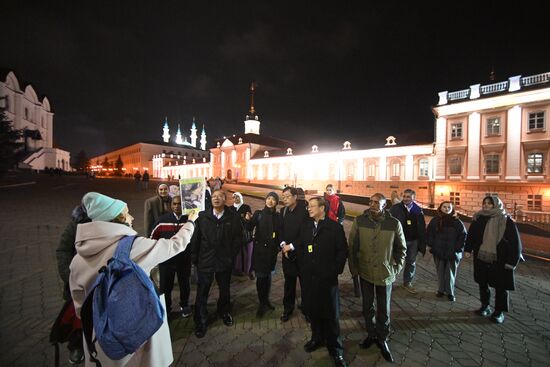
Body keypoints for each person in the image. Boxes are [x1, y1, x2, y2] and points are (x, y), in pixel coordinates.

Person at [69, 192, 197, 367]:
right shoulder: (132, 247)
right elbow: (175, 245)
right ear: (117, 219)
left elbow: (79, 306)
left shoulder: (77, 259)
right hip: (138, 333)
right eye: (127, 213)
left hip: (100, 335)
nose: (132, 217)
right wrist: (190, 222)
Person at [287, 196, 348, 367]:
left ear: (322, 208)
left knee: (331, 314)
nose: (309, 209)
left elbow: (342, 251)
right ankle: (317, 338)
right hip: (308, 277)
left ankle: (336, 348)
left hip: (327, 278)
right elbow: (300, 245)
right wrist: (292, 251)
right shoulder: (306, 226)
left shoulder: (334, 227)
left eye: (312, 206)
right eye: (308, 207)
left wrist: (334, 270)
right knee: (313, 310)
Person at [348, 193, 406, 363]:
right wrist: (354, 270)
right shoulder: (360, 221)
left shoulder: (394, 223)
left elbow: (401, 249)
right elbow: (352, 247)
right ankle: (371, 334)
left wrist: (395, 268)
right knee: (367, 307)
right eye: (371, 201)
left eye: (377, 202)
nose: (373, 204)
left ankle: (382, 338)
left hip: (385, 273)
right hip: (365, 271)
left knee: (384, 309)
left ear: (384, 205)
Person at [190, 189, 243, 338]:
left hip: (224, 260)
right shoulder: (202, 217)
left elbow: (238, 239)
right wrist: (194, 258)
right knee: (202, 292)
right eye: (213, 196)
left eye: (220, 196)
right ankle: (200, 320)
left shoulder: (232, 217)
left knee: (224, 289)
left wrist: (231, 255)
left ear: (225, 200)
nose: (216, 198)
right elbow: (196, 239)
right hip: (205, 260)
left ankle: (224, 312)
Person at [464, 196, 522, 324]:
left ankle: (499, 312)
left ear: (496, 205)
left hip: (500, 259)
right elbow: (471, 235)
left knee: (500, 286)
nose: (486, 205)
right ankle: (485, 306)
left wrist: (512, 262)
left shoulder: (506, 220)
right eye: (484, 203)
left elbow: (515, 243)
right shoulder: (478, 218)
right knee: (482, 283)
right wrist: (467, 249)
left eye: (490, 203)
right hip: (481, 257)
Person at [56, 204, 91, 365]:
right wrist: (69, 275)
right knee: (76, 316)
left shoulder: (104, 222)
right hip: (76, 280)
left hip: (95, 276)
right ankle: (76, 346)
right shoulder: (76, 223)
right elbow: (63, 250)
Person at [150, 195, 193, 318]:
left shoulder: (189, 220)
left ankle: (184, 305)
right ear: (171, 205)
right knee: (165, 286)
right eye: (174, 204)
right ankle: (166, 308)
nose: (176, 206)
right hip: (166, 260)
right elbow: (153, 238)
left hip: (184, 259)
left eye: (179, 204)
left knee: (184, 284)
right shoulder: (162, 220)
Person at [245, 192, 282, 318]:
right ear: (266, 200)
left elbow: (279, 233)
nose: (270, 201)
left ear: (276, 202)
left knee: (268, 277)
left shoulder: (278, 216)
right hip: (260, 252)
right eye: (269, 198)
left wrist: (278, 247)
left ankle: (266, 300)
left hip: (271, 252)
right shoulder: (258, 214)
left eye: (273, 199)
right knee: (261, 278)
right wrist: (247, 220)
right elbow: (249, 228)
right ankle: (262, 303)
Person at [426, 201, 467, 302]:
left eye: (449, 207)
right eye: (444, 207)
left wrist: (458, 249)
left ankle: (450, 292)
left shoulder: (457, 221)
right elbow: (429, 233)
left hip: (452, 252)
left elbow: (463, 236)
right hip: (438, 251)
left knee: (450, 273)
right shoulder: (435, 220)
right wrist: (432, 245)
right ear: (440, 208)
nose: (446, 208)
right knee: (440, 272)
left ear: (452, 209)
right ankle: (440, 290)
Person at [279, 186, 309, 322]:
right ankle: (288, 309)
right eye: (283, 197)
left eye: (287, 196)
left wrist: (291, 246)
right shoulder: (283, 211)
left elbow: (306, 233)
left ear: (295, 197)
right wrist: (283, 245)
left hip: (302, 254)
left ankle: (307, 309)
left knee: (306, 284)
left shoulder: (305, 212)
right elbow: (280, 230)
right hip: (287, 255)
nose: (284, 199)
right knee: (289, 284)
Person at [389, 188, 427, 293]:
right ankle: (390, 281)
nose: (406, 198)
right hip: (399, 240)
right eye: (404, 196)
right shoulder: (395, 208)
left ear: (413, 198)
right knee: (395, 261)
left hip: (413, 241)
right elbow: (389, 223)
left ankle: (407, 283)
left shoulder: (418, 210)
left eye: (408, 197)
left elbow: (422, 228)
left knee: (411, 262)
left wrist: (422, 243)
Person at [231, 192, 254, 279]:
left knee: (245, 253)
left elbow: (249, 219)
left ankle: (246, 270)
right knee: (236, 254)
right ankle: (236, 269)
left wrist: (247, 219)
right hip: (234, 235)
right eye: (234, 197)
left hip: (244, 234)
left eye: (238, 197)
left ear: (241, 198)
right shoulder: (231, 208)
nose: (236, 199)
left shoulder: (246, 207)